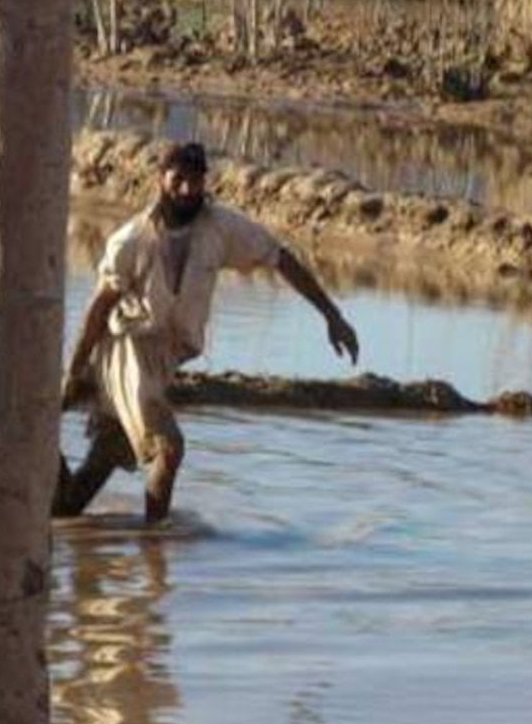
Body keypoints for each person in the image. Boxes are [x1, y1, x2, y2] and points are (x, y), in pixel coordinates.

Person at [56, 141, 360, 524]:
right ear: (160, 180)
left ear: (204, 183)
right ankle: (155, 559)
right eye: (178, 180)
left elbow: (280, 258)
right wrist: (75, 371)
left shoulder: (220, 227)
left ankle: (55, 508)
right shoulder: (131, 240)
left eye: (195, 181)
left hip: (165, 359)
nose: (186, 190)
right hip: (127, 351)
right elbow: (99, 308)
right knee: (169, 449)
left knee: (84, 488)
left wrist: (332, 316)